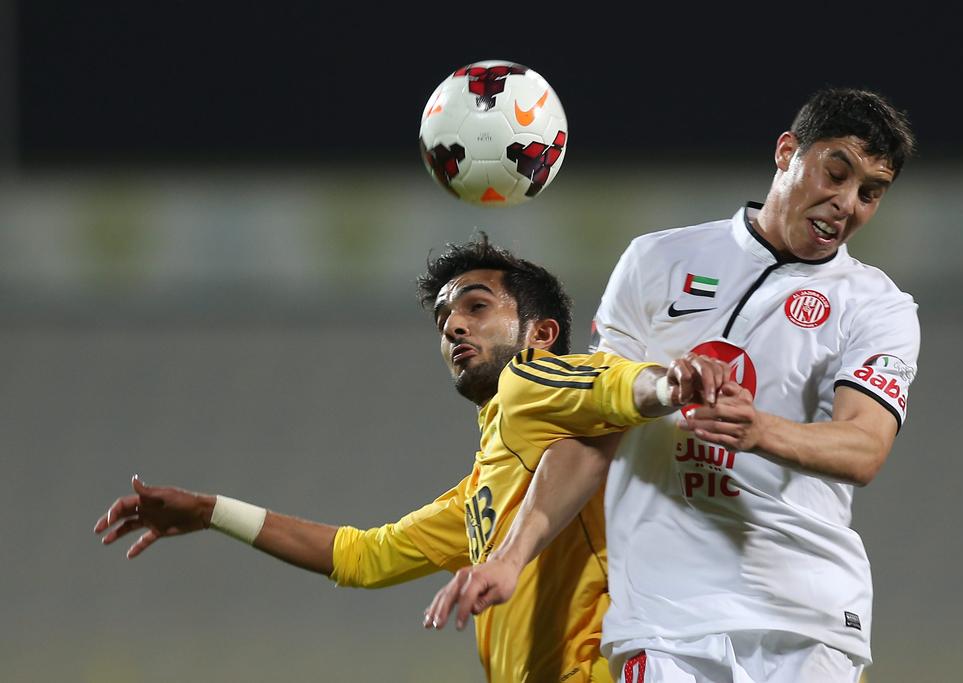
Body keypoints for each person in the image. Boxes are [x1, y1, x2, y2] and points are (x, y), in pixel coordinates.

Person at [425, 87, 919, 683]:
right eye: (834, 173)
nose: (846, 203)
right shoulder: (656, 261)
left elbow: (864, 447)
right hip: (665, 621)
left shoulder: (879, 306)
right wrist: (511, 558)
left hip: (805, 620)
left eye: (870, 193)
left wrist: (761, 430)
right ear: (787, 152)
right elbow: (592, 435)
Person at [94, 236, 731, 683]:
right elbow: (360, 557)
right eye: (444, 317)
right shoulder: (486, 486)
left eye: (477, 307)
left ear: (541, 334)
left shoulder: (530, 385)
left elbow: (612, 385)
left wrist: (668, 385)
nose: (453, 326)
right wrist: (211, 511)